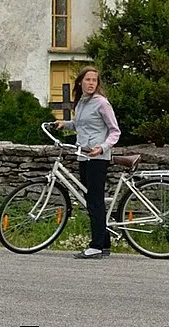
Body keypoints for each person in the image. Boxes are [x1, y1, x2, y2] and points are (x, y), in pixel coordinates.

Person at [70, 63, 120, 257]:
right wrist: (63, 124)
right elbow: (80, 124)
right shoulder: (82, 101)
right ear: (80, 82)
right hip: (83, 154)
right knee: (90, 198)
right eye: (88, 79)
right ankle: (105, 242)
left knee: (95, 200)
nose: (91, 83)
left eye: (94, 80)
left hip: (98, 157)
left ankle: (96, 246)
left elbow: (115, 131)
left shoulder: (102, 103)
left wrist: (102, 147)